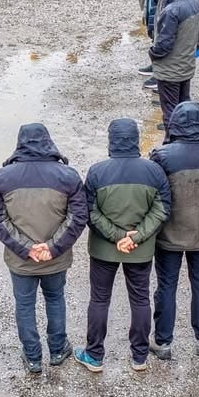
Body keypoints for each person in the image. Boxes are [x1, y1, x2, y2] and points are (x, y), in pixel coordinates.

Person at [0, 123, 87, 374]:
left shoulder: (2, 177)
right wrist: (52, 248)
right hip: (56, 258)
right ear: (48, 141)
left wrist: (26, 248)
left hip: (21, 260)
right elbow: (77, 217)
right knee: (55, 299)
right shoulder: (68, 176)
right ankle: (57, 350)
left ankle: (32, 357)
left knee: (24, 305)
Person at [75, 118, 170, 373]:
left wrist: (117, 236)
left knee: (99, 300)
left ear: (111, 140)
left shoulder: (97, 171)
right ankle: (139, 356)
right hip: (140, 250)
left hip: (104, 248)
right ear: (136, 139)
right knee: (140, 300)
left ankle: (94, 354)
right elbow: (161, 209)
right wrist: (135, 237)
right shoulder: (154, 171)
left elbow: (90, 211)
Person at [148, 102, 199, 361]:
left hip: (169, 234)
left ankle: (162, 341)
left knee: (167, 284)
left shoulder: (161, 155)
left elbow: (154, 195)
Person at [149, 0, 199, 132]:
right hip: (186, 64)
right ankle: (185, 132)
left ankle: (172, 137)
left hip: (170, 69)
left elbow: (164, 44)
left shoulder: (171, 11)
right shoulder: (196, 3)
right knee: (183, 101)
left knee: (170, 108)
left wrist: (153, 53)